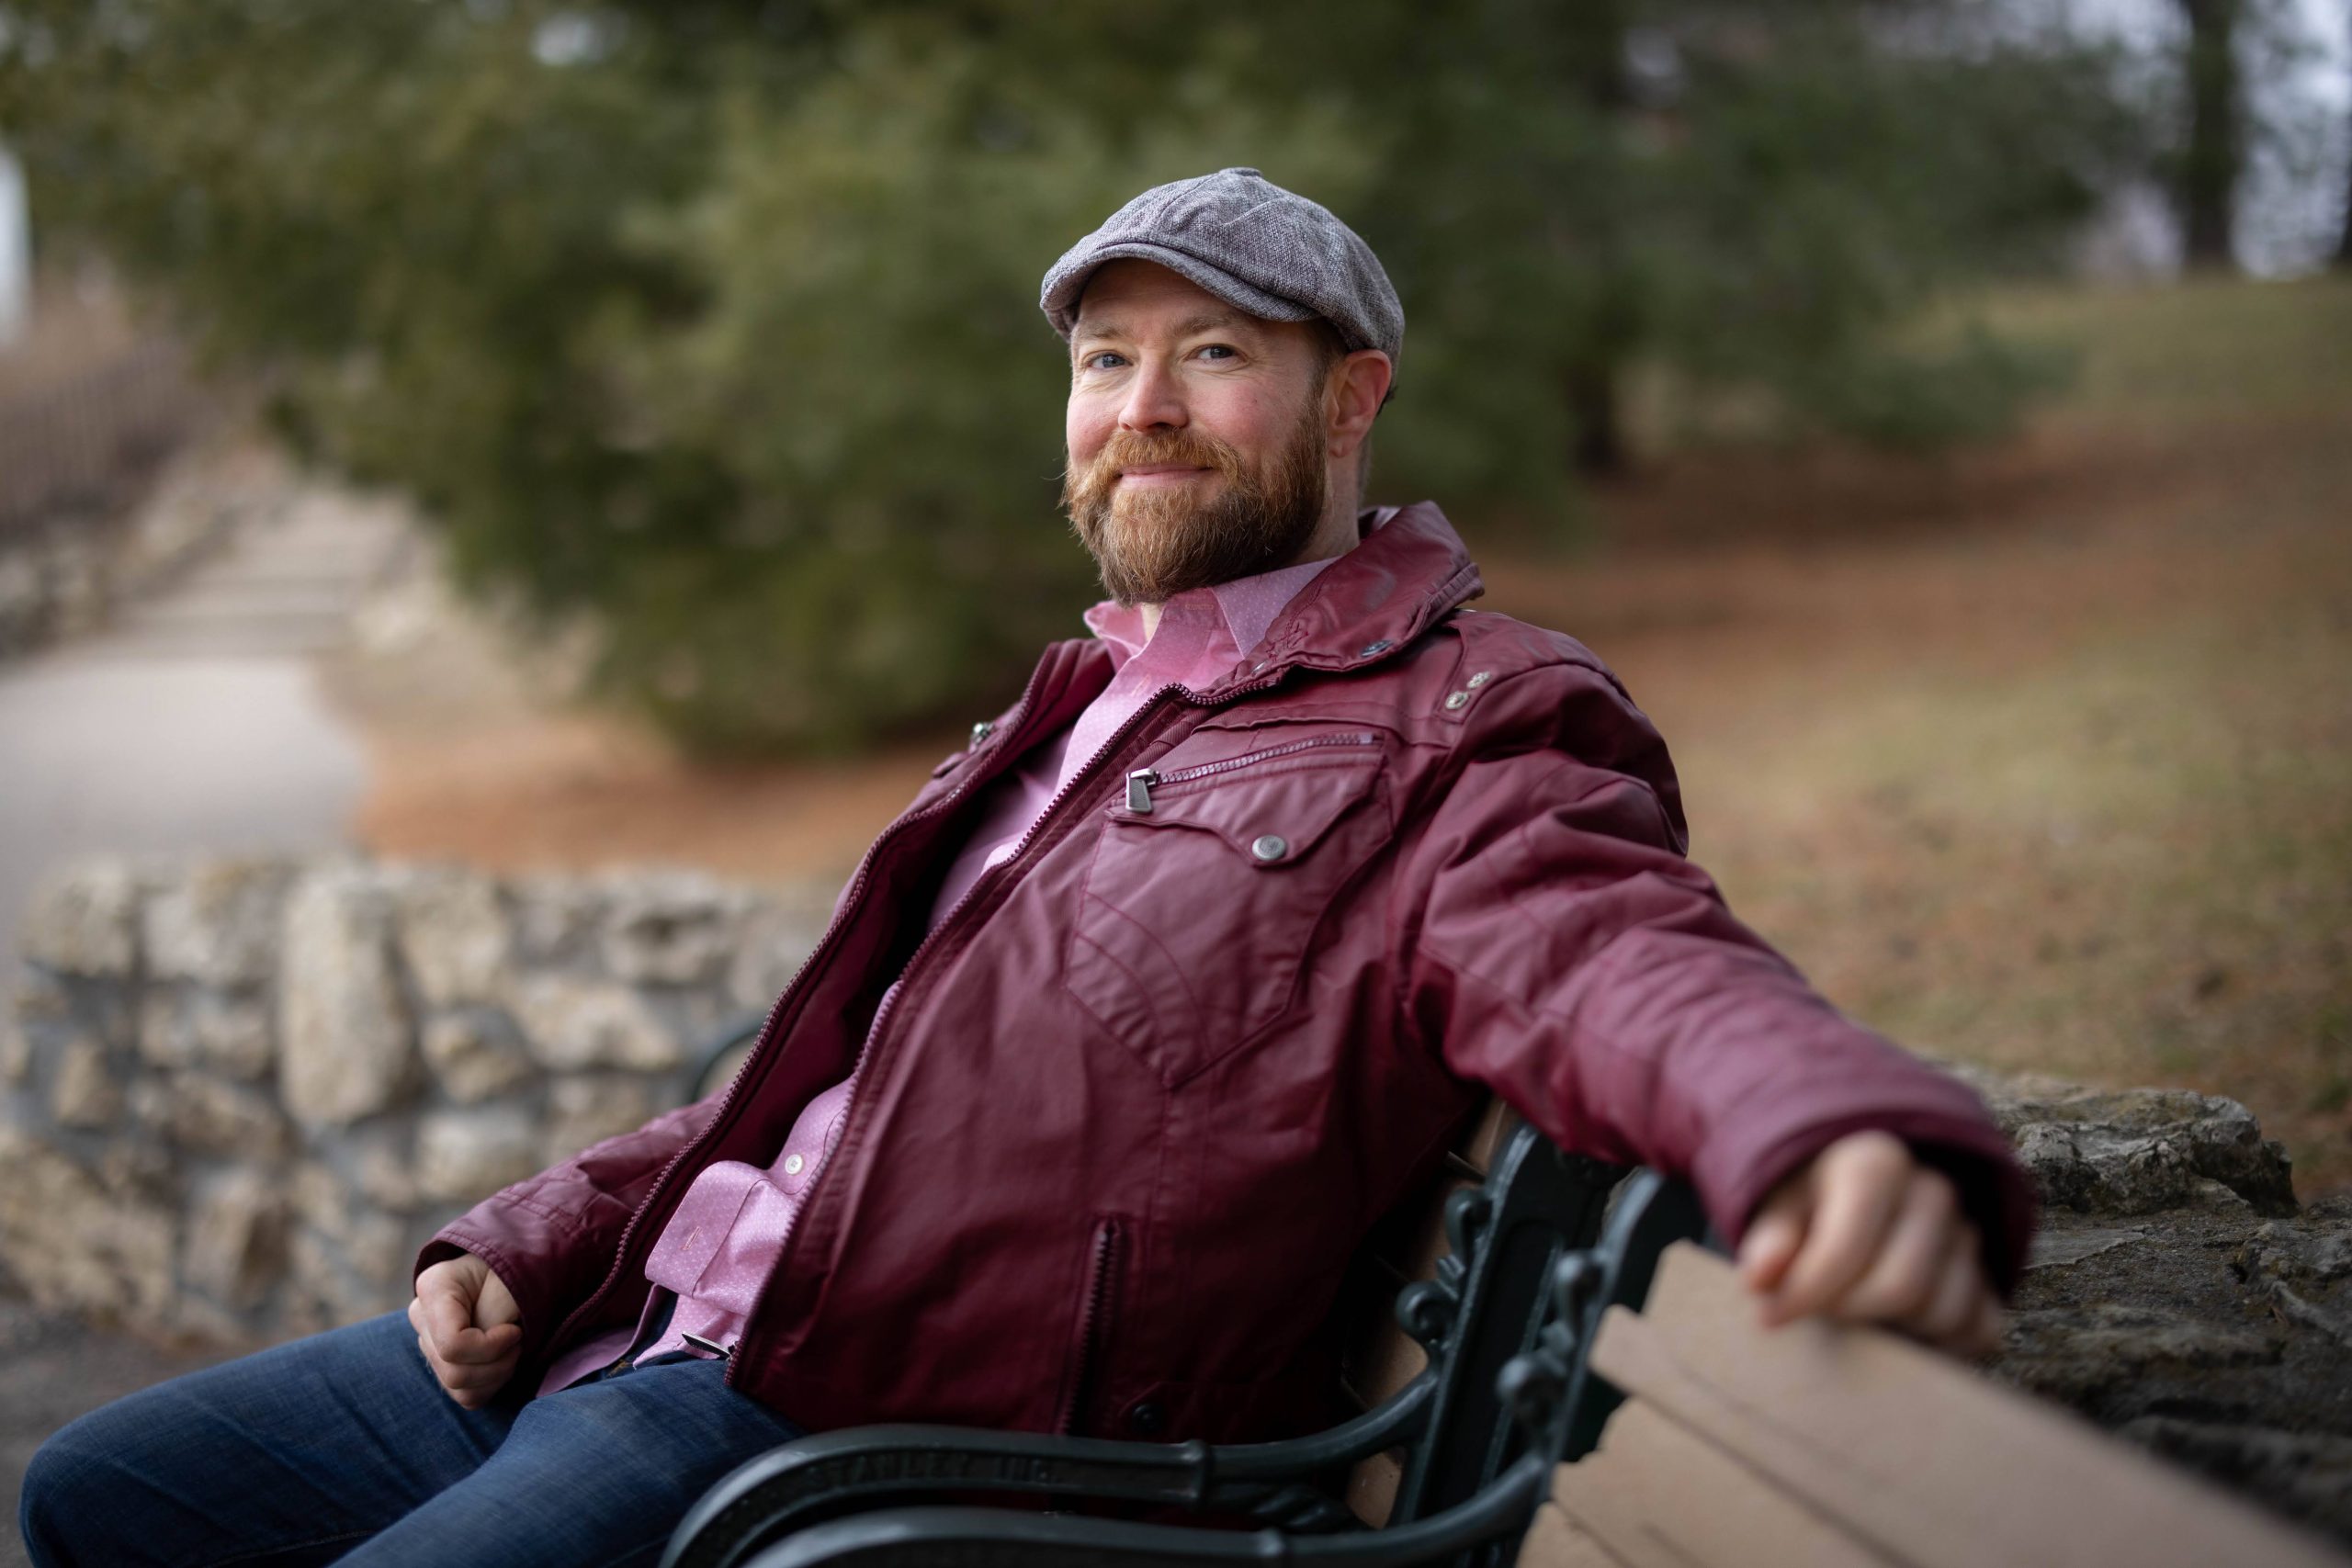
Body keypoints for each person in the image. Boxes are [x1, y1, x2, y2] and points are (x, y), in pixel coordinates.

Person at [21, 168, 2033, 1568]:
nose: (1138, 408)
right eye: (1100, 363)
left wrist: (1822, 1118)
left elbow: (1613, 951)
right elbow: (811, 1083)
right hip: (624, 1326)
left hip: (827, 1419)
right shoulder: (1069, 701)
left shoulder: (1466, 718)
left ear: (1350, 397)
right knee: (102, 1496)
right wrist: (538, 1232)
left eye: (1212, 355)